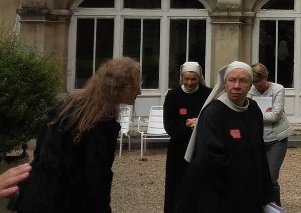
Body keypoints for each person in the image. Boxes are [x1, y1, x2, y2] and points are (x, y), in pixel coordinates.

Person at [9, 57, 141, 213]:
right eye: (136, 86)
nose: (139, 91)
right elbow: (97, 177)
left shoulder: (68, 105)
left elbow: (42, 149)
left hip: (36, 194)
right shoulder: (102, 123)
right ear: (119, 87)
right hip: (63, 201)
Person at [177, 61, 273, 213]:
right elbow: (210, 160)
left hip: (248, 190)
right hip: (222, 193)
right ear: (225, 83)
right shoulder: (213, 112)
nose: (236, 86)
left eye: (243, 81)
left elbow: (259, 151)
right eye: (232, 80)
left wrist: (266, 193)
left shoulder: (253, 110)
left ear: (250, 85)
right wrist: (243, 179)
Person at [162, 62, 211, 213]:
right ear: (181, 77)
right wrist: (186, 125)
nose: (189, 83)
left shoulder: (207, 94)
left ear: (199, 78)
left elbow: (214, 117)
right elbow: (168, 123)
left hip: (201, 146)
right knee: (177, 183)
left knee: (200, 183)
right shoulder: (173, 95)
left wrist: (200, 122)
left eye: (193, 79)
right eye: (186, 79)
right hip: (179, 147)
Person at [249, 63, 290, 207]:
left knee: (271, 176)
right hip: (256, 139)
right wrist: (264, 113)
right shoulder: (250, 90)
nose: (257, 85)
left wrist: (254, 114)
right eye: (254, 82)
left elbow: (275, 116)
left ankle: (275, 207)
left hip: (276, 139)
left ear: (265, 77)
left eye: (259, 81)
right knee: (256, 175)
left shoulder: (278, 89)